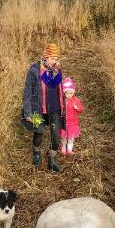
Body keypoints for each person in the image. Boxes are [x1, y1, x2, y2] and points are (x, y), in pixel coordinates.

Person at [22, 42, 65, 172]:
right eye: (52, 59)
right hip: (38, 108)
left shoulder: (56, 70)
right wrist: (27, 112)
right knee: (39, 133)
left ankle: (52, 159)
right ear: (45, 57)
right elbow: (28, 91)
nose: (54, 62)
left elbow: (58, 88)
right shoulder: (34, 70)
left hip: (54, 108)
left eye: (56, 59)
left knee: (56, 136)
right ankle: (36, 153)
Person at [59, 78, 84, 155]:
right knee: (64, 137)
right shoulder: (63, 100)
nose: (69, 95)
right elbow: (60, 109)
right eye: (67, 93)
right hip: (64, 123)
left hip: (73, 123)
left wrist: (78, 108)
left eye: (70, 93)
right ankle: (63, 148)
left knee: (71, 138)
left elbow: (81, 109)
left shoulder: (76, 100)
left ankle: (69, 149)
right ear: (64, 93)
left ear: (73, 92)